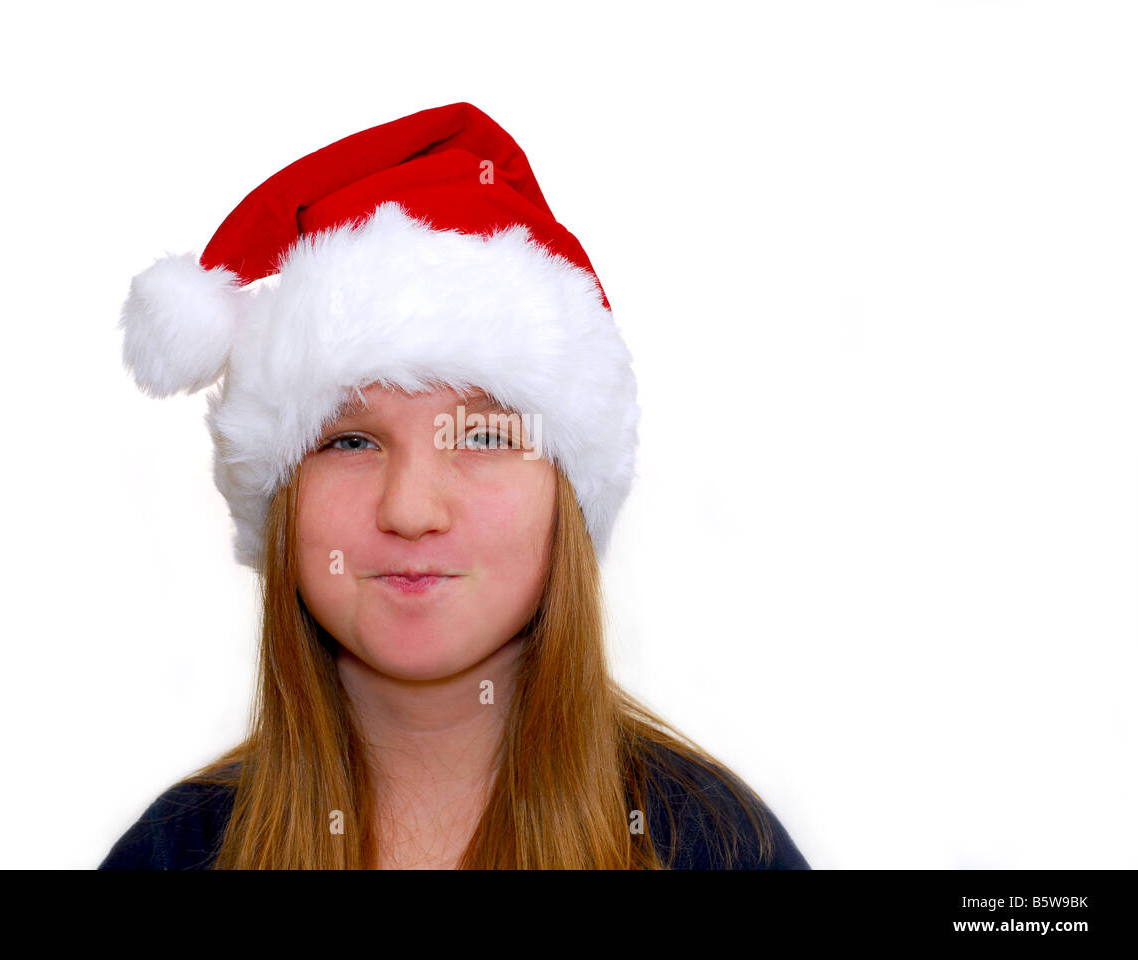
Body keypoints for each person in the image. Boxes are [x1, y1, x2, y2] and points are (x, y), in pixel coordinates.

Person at [101, 102, 809, 870]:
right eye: (349, 439)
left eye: (482, 436)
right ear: (280, 499)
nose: (410, 509)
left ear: (565, 493)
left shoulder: (720, 851)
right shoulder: (175, 854)